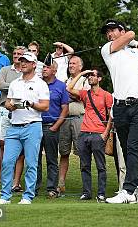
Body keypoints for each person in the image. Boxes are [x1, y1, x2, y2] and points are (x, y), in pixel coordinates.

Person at [100, 19, 138, 204]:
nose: (109, 34)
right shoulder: (107, 50)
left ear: (121, 30)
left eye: (112, 30)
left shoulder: (135, 53)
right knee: (126, 149)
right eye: (107, 32)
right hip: (120, 106)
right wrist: (131, 39)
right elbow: (131, 34)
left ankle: (127, 191)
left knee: (133, 145)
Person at [0, 51, 49, 205]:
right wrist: (10, 105)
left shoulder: (40, 84)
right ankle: (5, 196)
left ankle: (28, 196)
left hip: (32, 126)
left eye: (26, 61)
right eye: (21, 61)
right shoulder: (15, 83)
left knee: (31, 163)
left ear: (34, 65)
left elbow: (45, 106)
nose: (23, 63)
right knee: (7, 162)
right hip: (14, 126)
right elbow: (8, 102)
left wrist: (31, 104)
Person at [0, 46, 26, 189]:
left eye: (19, 54)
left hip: (20, 111)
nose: (16, 56)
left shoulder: (27, 72)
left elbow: (27, 89)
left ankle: (15, 181)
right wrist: (17, 86)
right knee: (0, 145)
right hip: (3, 109)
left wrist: (13, 87)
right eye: (14, 53)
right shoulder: (5, 70)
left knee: (18, 147)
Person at [70, 68, 113, 203]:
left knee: (101, 166)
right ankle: (86, 192)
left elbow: (111, 115)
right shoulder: (85, 94)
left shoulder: (106, 95)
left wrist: (105, 133)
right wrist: (81, 74)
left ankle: (101, 193)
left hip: (98, 134)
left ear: (99, 79)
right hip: (84, 133)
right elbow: (69, 88)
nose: (90, 77)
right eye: (89, 76)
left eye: (92, 75)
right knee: (84, 165)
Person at [36, 60, 69, 198]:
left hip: (51, 127)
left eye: (48, 67)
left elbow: (65, 109)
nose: (44, 69)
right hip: (35, 125)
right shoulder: (36, 84)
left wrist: (56, 126)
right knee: (34, 160)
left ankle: (52, 188)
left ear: (54, 71)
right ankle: (34, 188)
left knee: (51, 159)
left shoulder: (61, 86)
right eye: (43, 67)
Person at [59, 55, 89, 195]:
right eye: (70, 63)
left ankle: (86, 185)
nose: (71, 65)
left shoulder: (85, 81)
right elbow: (64, 98)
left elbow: (83, 97)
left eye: (74, 63)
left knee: (82, 152)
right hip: (65, 119)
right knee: (64, 152)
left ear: (80, 67)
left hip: (79, 119)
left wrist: (70, 94)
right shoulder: (66, 81)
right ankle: (61, 184)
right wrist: (71, 94)